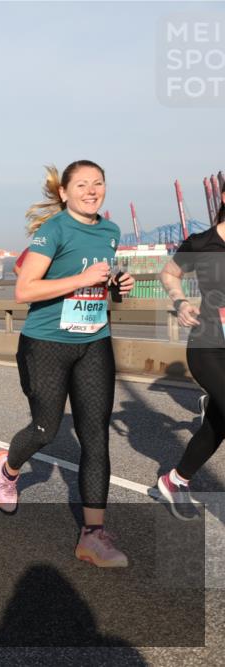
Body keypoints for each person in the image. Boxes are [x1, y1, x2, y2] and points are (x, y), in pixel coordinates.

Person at [0, 161, 135, 568]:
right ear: (64, 193)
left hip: (94, 342)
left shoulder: (110, 231)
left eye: (99, 183)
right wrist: (81, 278)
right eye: (82, 185)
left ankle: (92, 536)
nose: (92, 190)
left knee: (96, 437)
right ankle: (9, 465)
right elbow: (24, 289)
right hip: (46, 344)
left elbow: (98, 281)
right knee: (45, 429)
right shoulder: (52, 230)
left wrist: (114, 284)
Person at [156, 183, 225, 520]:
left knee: (217, 425)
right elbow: (169, 273)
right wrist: (180, 300)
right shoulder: (202, 242)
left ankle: (175, 480)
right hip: (208, 344)